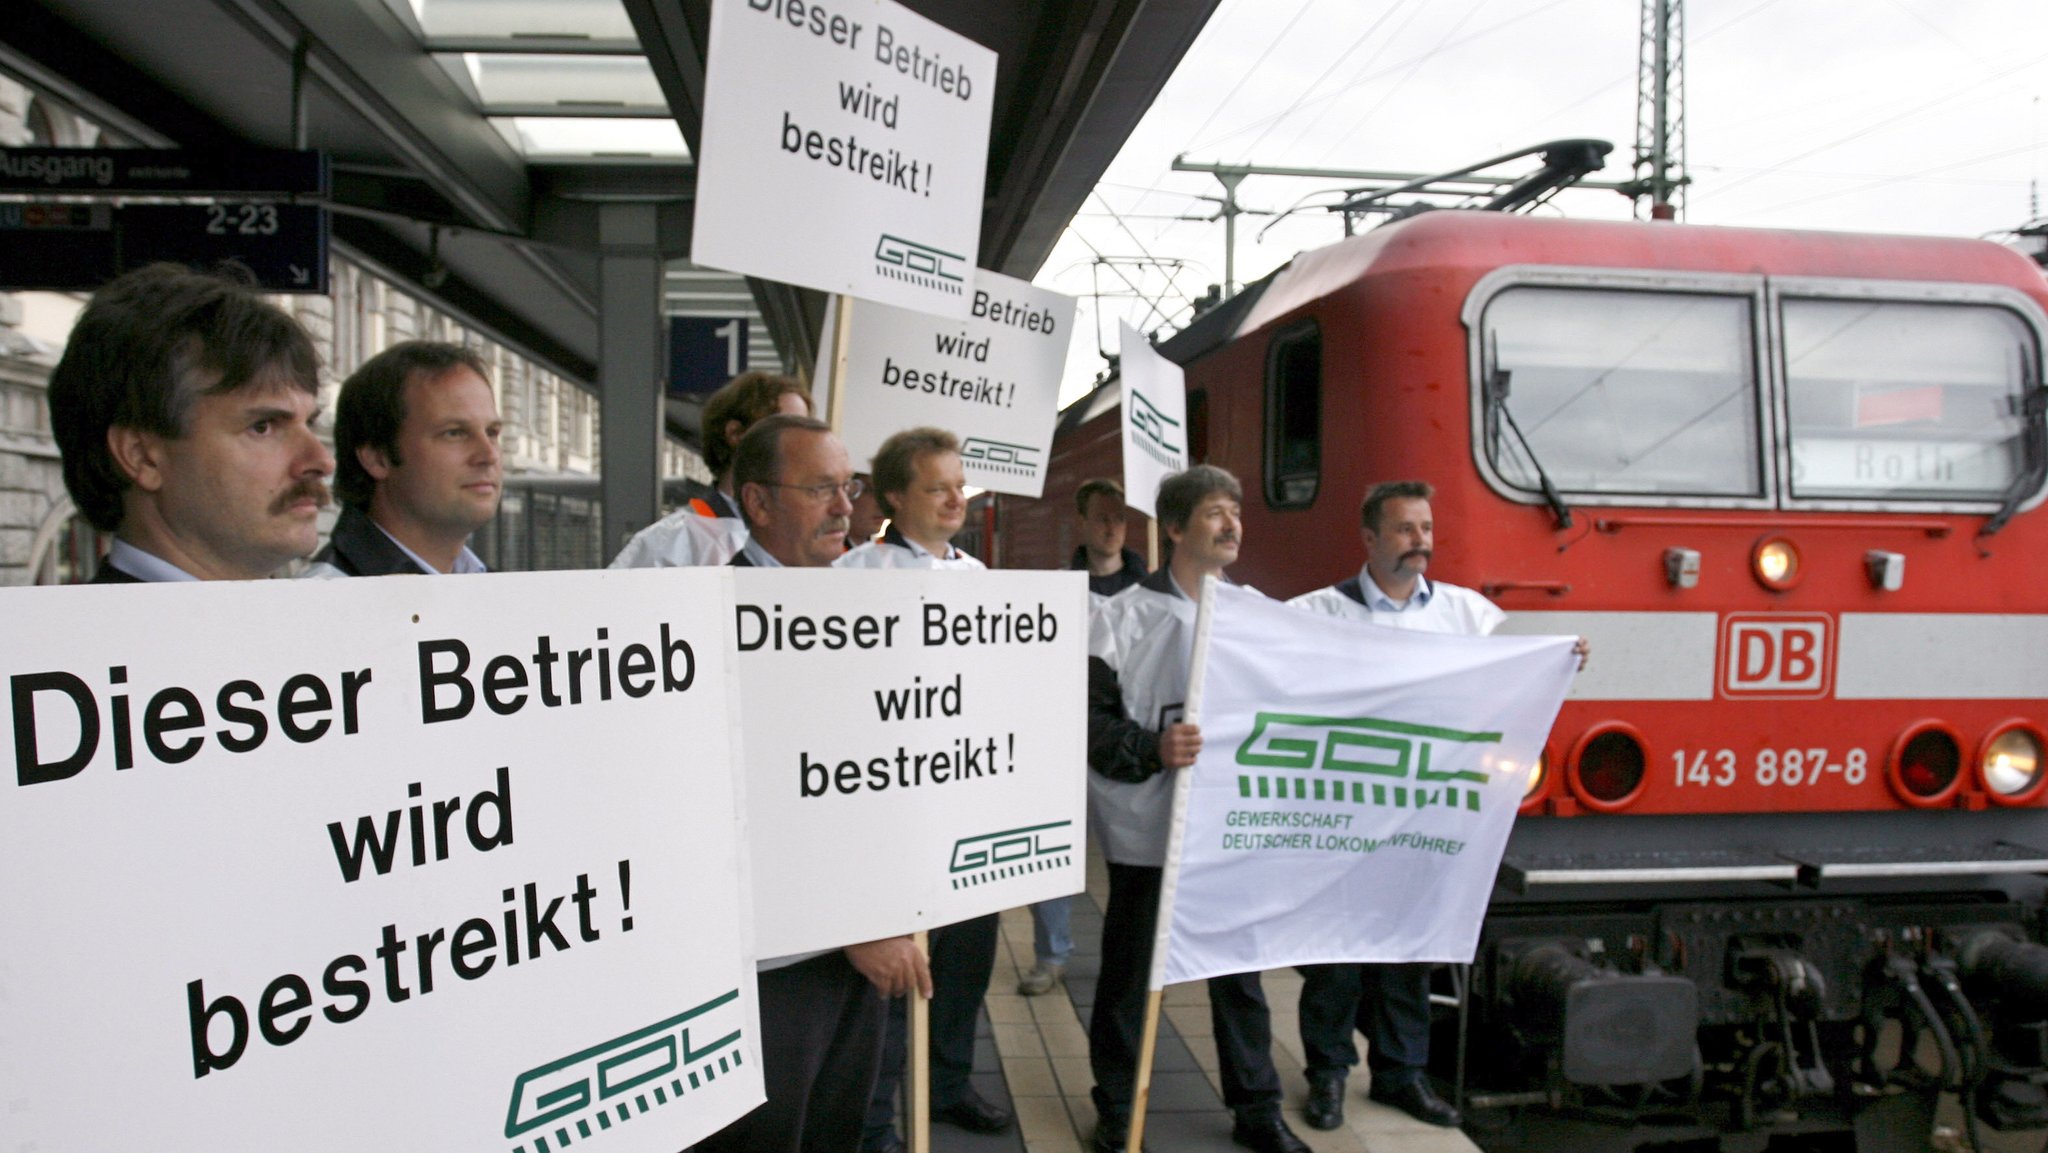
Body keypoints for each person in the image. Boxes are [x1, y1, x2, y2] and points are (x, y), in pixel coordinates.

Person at [1289, 480, 1587, 1132]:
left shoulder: (1466, 614)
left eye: (1425, 527)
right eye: (1404, 529)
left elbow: (1510, 677)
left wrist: (1560, 661)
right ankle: (1329, 1075)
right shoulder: (1316, 613)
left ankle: (1400, 1074)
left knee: (1409, 952)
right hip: (1345, 815)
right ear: (1369, 539)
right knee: (1334, 955)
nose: (1420, 540)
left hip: (1425, 817)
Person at [695, 413, 933, 1153]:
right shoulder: (706, 621)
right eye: (822, 487)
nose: (845, 505)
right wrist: (845, 923)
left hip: (861, 954)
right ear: (759, 503)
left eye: (849, 485)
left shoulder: (851, 607)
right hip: (771, 976)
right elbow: (722, 810)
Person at [1086, 466, 1309, 1153]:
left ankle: (1258, 1108)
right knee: (1130, 978)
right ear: (1176, 528)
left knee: (1239, 977)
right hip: (1149, 839)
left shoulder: (1260, 618)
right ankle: (1119, 1108)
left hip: (1229, 835)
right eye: (1216, 512)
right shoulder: (1118, 617)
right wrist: (1153, 746)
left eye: (1236, 511)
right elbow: (1088, 727)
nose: (1232, 523)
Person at [831, 428, 1009, 1151]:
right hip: (889, 812)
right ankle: (876, 1111)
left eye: (960, 484)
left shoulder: (980, 579)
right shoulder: (852, 576)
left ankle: (950, 1078)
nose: (955, 498)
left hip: (962, 810)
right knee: (891, 981)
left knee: (964, 964)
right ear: (896, 496)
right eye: (937, 486)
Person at [46, 262, 332, 584]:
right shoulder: (88, 635)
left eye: (311, 423)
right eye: (263, 426)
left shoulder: (320, 624)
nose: (322, 461)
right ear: (141, 456)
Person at [1019, 478, 1151, 1000]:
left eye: (1120, 517)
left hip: (1128, 741)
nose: (1112, 526)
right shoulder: (1056, 591)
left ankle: (1136, 958)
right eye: (1101, 516)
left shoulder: (1153, 593)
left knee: (1133, 861)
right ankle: (1051, 956)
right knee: (1052, 853)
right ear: (1081, 521)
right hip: (1065, 740)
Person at [306, 341, 501, 576]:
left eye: (492, 432)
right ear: (377, 458)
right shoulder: (324, 603)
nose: (488, 455)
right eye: (454, 433)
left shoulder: (496, 590)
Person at [609, 371, 812, 568]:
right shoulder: (669, 544)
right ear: (735, 434)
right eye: (786, 430)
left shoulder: (815, 539)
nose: (803, 446)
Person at [1072, 477, 1148, 598]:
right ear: (1082, 523)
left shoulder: (1147, 585)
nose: (1111, 529)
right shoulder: (1065, 586)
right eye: (1102, 519)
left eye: (1119, 519)